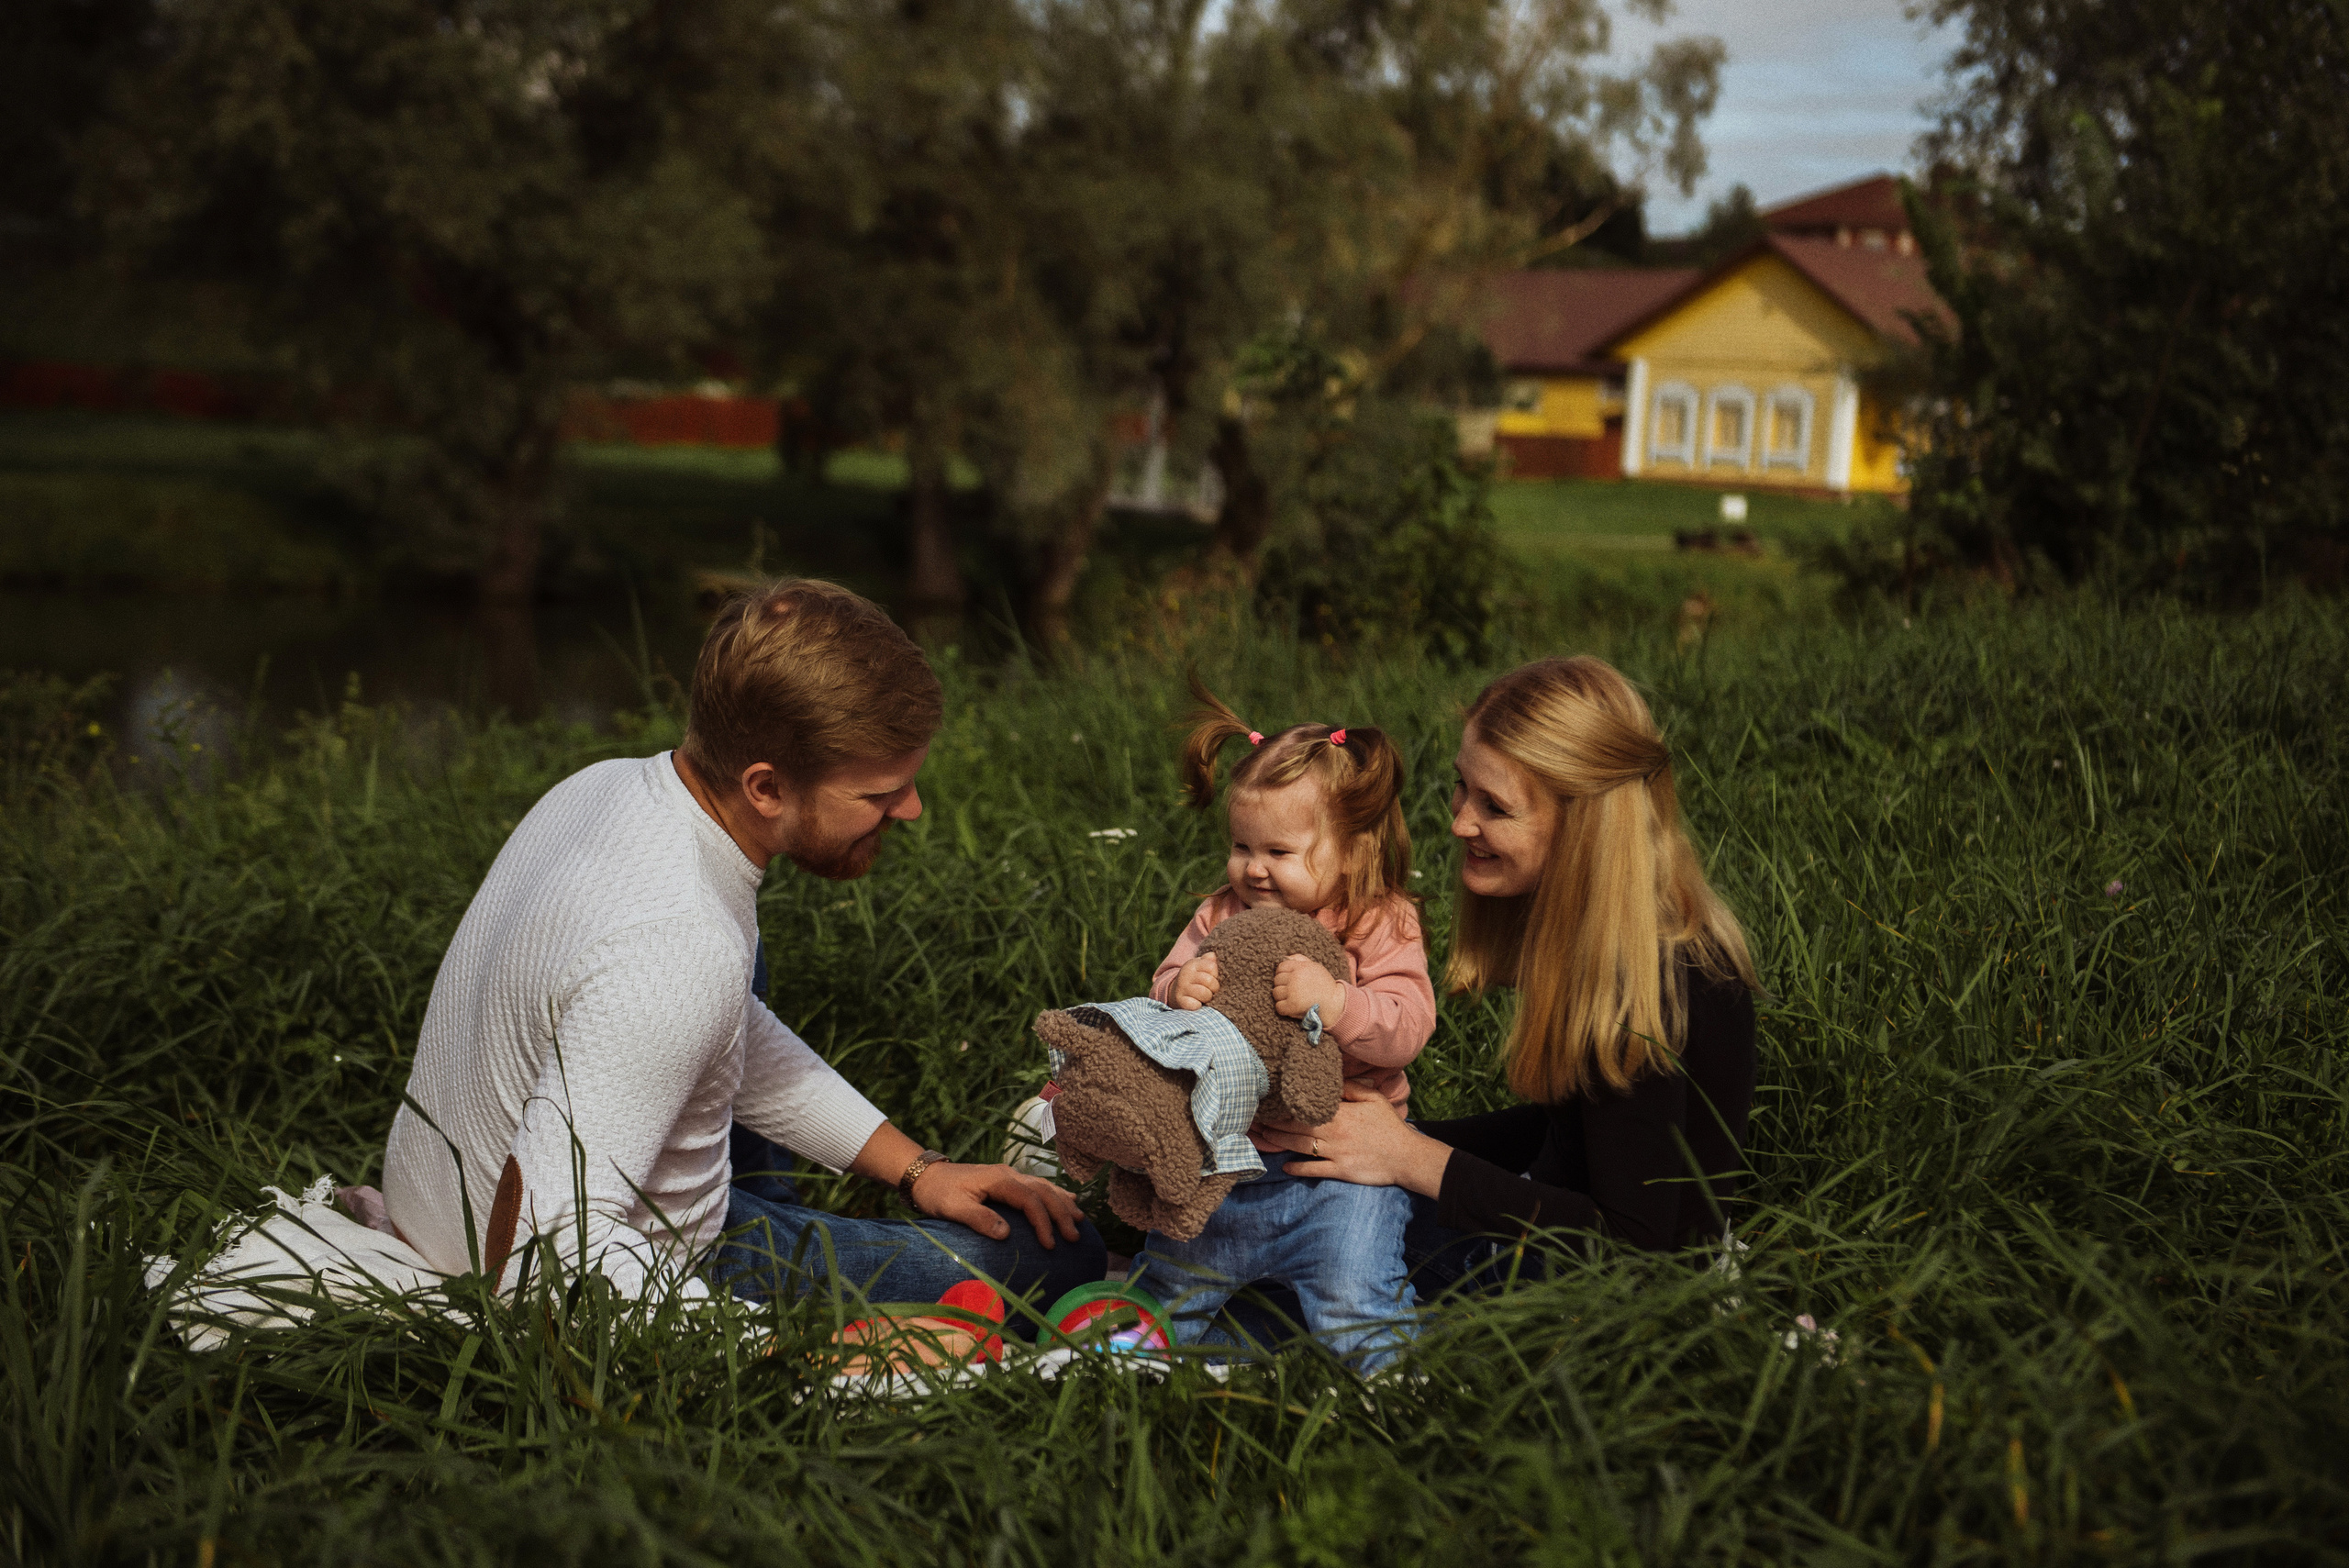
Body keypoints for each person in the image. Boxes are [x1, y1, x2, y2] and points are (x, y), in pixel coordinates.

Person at [381, 579, 1105, 1318]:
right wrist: (782, 1350)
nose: (912, 808)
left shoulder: (605, 787)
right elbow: (545, 1247)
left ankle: (776, 1204)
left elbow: (720, 1016)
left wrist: (919, 1169)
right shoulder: (677, 945)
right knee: (1062, 1256)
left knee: (735, 964)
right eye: (882, 791)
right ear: (765, 786)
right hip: (611, 1256)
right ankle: (780, 1266)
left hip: (439, 1197)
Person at [1258, 655, 1760, 1295]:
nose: (1460, 820)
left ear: (1583, 825)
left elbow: (1637, 1247)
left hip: (1603, 1293)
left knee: (1290, 1248)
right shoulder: (1638, 941)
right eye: (1462, 786)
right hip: (1572, 1248)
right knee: (1311, 1195)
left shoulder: (1642, 985)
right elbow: (1572, 1137)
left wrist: (1412, 1159)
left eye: (1495, 806)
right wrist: (1391, 1139)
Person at [1120, 685, 1435, 1372]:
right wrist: (1181, 989)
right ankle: (1127, 1366)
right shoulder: (1221, 913)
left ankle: (1396, 1394)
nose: (1253, 868)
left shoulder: (1380, 920)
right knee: (1171, 1287)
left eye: (1279, 851)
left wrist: (1338, 1001)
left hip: (1341, 1176)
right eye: (1241, 845)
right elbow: (1160, 988)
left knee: (1356, 1291)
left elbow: (1408, 1026)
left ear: (1353, 850)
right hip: (1223, 1166)